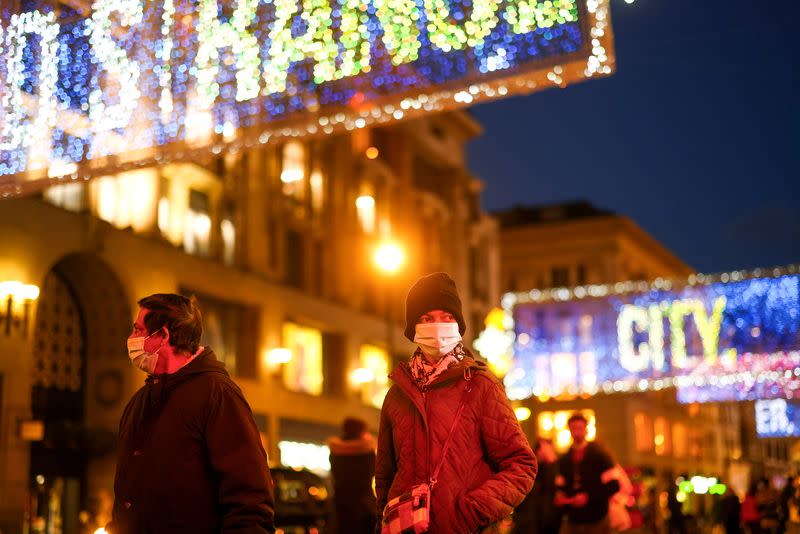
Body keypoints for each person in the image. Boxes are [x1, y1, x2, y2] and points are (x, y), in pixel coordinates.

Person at [375, 272, 537, 533]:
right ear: (413, 328)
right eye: (427, 318)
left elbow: (521, 465)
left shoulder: (481, 385)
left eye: (446, 317)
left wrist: (474, 510)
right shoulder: (397, 395)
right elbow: (385, 476)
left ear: (458, 325)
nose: (437, 326)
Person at [109, 293, 275, 533]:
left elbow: (249, 500)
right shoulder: (139, 401)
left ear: (162, 336)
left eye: (138, 330)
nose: (131, 338)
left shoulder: (218, 395)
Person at [555, 412, 621, 534]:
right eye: (573, 428)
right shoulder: (564, 460)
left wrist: (589, 497)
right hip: (574, 520)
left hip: (597, 520)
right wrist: (561, 496)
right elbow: (560, 486)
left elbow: (614, 486)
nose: (576, 432)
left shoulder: (600, 456)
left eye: (579, 428)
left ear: (586, 429)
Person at [328, 417, 378, 533]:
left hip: (341, 502)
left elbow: (335, 474)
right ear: (361, 431)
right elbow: (372, 473)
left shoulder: (336, 450)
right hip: (363, 502)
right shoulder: (367, 451)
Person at [512, 438, 560, 534]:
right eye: (546, 449)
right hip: (530, 520)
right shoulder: (530, 468)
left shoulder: (550, 467)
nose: (550, 453)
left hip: (543, 520)